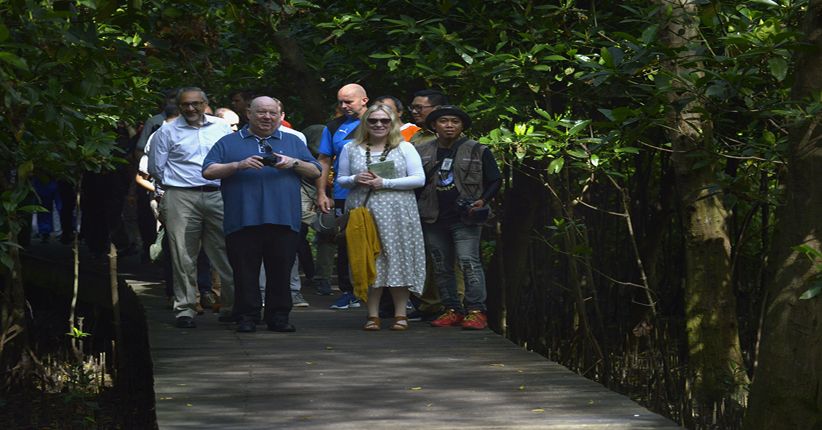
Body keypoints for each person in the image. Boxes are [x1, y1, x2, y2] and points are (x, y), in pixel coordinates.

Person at [203, 96, 321, 333]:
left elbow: (315, 170)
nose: (267, 117)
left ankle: (278, 316)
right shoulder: (229, 142)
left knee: (281, 271)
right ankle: (246, 316)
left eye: (272, 113)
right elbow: (208, 171)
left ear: (280, 116)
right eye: (261, 112)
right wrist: (238, 165)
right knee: (245, 272)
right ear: (249, 113)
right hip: (242, 219)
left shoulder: (293, 141)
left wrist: (292, 162)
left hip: (284, 218)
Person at [148, 87, 235, 329]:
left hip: (218, 193)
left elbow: (230, 157)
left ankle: (229, 306)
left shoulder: (221, 127)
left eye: (196, 103)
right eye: (185, 104)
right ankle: (185, 308)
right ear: (179, 105)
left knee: (225, 250)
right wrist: (178, 186)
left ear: (206, 104)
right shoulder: (166, 131)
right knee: (182, 254)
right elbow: (156, 168)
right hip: (181, 195)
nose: (191, 108)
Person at [337, 104, 426, 331]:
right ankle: (372, 314)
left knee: (398, 258)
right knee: (367, 258)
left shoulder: (404, 148)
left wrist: (385, 183)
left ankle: (400, 314)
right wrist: (357, 178)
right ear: (365, 123)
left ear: (393, 123)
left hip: (398, 212)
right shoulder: (351, 148)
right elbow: (341, 179)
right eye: (373, 120)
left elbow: (418, 179)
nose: (379, 125)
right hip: (364, 212)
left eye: (384, 121)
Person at [415, 106, 501, 330]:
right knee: (441, 264)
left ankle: (476, 311)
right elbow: (414, 183)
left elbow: (495, 179)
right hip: (432, 216)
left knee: (468, 261)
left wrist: (482, 200)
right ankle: (452, 309)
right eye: (444, 121)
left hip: (466, 218)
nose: (449, 125)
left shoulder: (478, 150)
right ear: (434, 125)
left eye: (455, 121)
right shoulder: (421, 150)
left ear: (462, 126)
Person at [316, 83, 369, 310]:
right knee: (346, 242)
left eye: (349, 101)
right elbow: (324, 160)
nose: (344, 106)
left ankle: (384, 293)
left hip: (378, 193)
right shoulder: (334, 126)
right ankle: (349, 291)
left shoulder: (379, 121)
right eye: (341, 102)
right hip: (343, 194)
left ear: (364, 100)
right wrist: (321, 193)